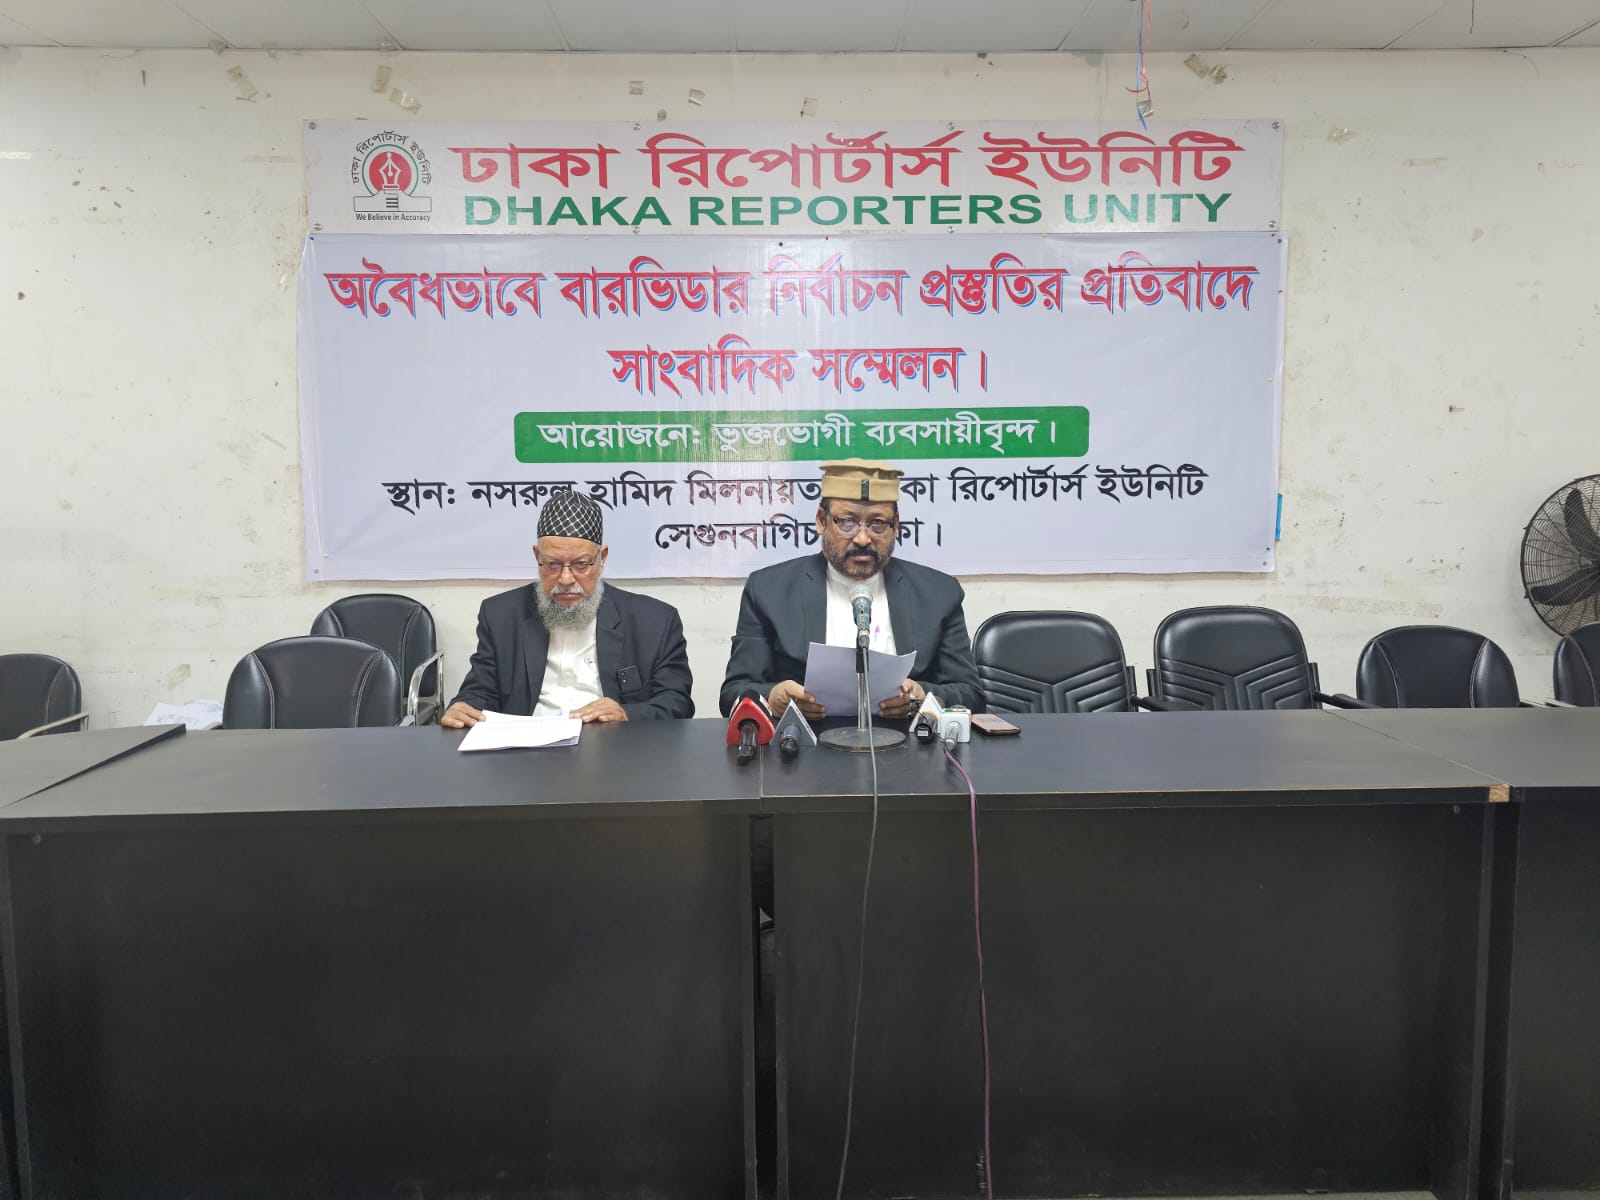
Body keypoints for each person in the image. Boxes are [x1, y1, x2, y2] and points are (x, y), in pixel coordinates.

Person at [719, 458, 983, 720]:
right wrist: (772, 697)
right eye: (847, 521)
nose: (863, 538)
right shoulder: (768, 591)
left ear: (896, 525)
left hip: (906, 740)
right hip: (805, 741)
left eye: (878, 523)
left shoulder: (939, 593)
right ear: (821, 521)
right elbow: (733, 693)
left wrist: (923, 697)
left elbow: (971, 694)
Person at [441, 491, 694, 726]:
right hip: (527, 750)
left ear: (602, 558)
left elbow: (676, 702)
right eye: (552, 564)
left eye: (581, 564)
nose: (565, 579)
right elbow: (480, 692)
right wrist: (463, 708)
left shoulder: (654, 621)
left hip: (613, 746)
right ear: (537, 556)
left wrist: (626, 714)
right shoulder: (500, 616)